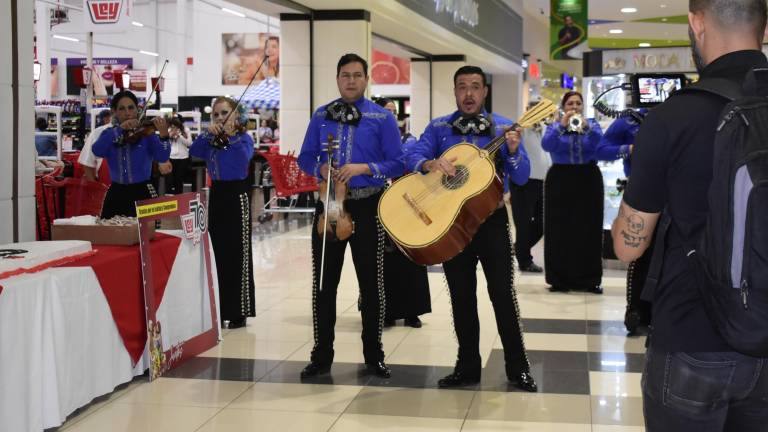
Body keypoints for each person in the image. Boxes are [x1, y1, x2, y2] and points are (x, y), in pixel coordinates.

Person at [612, 1, 768, 430]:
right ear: (764, 28)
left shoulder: (673, 116)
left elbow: (629, 248)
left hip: (692, 334)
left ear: (697, 24)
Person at [404, 65, 537, 391]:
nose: (468, 94)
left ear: (484, 92)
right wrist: (429, 163)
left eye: (475, 87)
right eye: (462, 86)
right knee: (461, 296)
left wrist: (515, 152)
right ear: (454, 91)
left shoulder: (504, 127)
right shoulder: (439, 127)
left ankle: (518, 368)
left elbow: (521, 177)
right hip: (452, 224)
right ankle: (467, 367)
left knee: (503, 295)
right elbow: (413, 151)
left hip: (491, 222)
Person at [297, 54, 404, 379]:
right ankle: (321, 354)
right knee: (324, 283)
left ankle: (374, 355)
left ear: (367, 79)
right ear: (337, 78)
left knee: (371, 284)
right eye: (345, 75)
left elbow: (398, 163)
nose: (351, 81)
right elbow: (304, 157)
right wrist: (320, 168)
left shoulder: (381, 118)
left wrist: (365, 168)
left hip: (368, 203)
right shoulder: (321, 115)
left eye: (358, 75)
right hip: (330, 203)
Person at [190, 97, 255, 329]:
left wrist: (228, 137)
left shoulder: (244, 139)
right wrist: (208, 134)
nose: (220, 118)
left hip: (237, 196)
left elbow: (241, 160)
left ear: (236, 116)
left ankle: (239, 310)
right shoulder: (211, 141)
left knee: (238, 252)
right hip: (217, 195)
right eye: (216, 114)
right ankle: (219, 306)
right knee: (217, 250)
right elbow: (194, 152)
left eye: (225, 113)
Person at [541, 91, 615, 294]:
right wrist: (561, 126)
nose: (574, 106)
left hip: (587, 178)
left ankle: (590, 280)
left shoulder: (592, 124)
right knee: (558, 228)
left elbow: (599, 145)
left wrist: (588, 127)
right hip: (560, 179)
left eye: (578, 103)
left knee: (589, 228)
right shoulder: (555, 125)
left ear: (583, 106)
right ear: (563, 106)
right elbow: (547, 145)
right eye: (570, 103)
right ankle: (558, 279)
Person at [375, 97, 431, 329]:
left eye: (393, 111)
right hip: (378, 202)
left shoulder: (410, 140)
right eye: (385, 111)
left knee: (411, 254)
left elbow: (414, 162)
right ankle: (385, 310)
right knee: (382, 258)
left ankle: (412, 311)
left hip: (408, 202)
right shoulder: (371, 142)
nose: (390, 115)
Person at [599, 110, 652, 333]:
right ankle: (635, 309)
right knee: (637, 250)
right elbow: (601, 150)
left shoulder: (678, 116)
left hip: (675, 190)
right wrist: (628, 149)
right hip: (639, 188)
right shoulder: (628, 121)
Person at [92, 90, 172, 219]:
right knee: (112, 234)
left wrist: (164, 136)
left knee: (147, 236)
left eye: (131, 108)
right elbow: (97, 151)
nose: (127, 113)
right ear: (114, 112)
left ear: (137, 109)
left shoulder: (147, 133)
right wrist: (119, 130)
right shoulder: (109, 133)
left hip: (143, 191)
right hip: (116, 192)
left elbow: (162, 157)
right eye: (122, 109)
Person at [509, 101, 552, 273]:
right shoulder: (521, 129)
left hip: (543, 182)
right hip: (524, 182)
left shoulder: (546, 128)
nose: (538, 115)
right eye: (534, 111)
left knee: (543, 221)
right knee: (523, 223)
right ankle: (525, 260)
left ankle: (518, 247)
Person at [79, 110, 113, 182]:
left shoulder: (139, 134)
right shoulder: (97, 133)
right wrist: (96, 188)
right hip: (105, 189)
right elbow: (87, 164)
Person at [166, 115, 192, 195]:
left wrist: (180, 136)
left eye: (176, 125)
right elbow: (165, 144)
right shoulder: (169, 130)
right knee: (170, 180)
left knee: (179, 179)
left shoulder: (186, 130)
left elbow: (189, 143)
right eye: (172, 125)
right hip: (171, 157)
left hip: (183, 158)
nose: (174, 127)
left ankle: (179, 196)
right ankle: (170, 196)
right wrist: (170, 135)